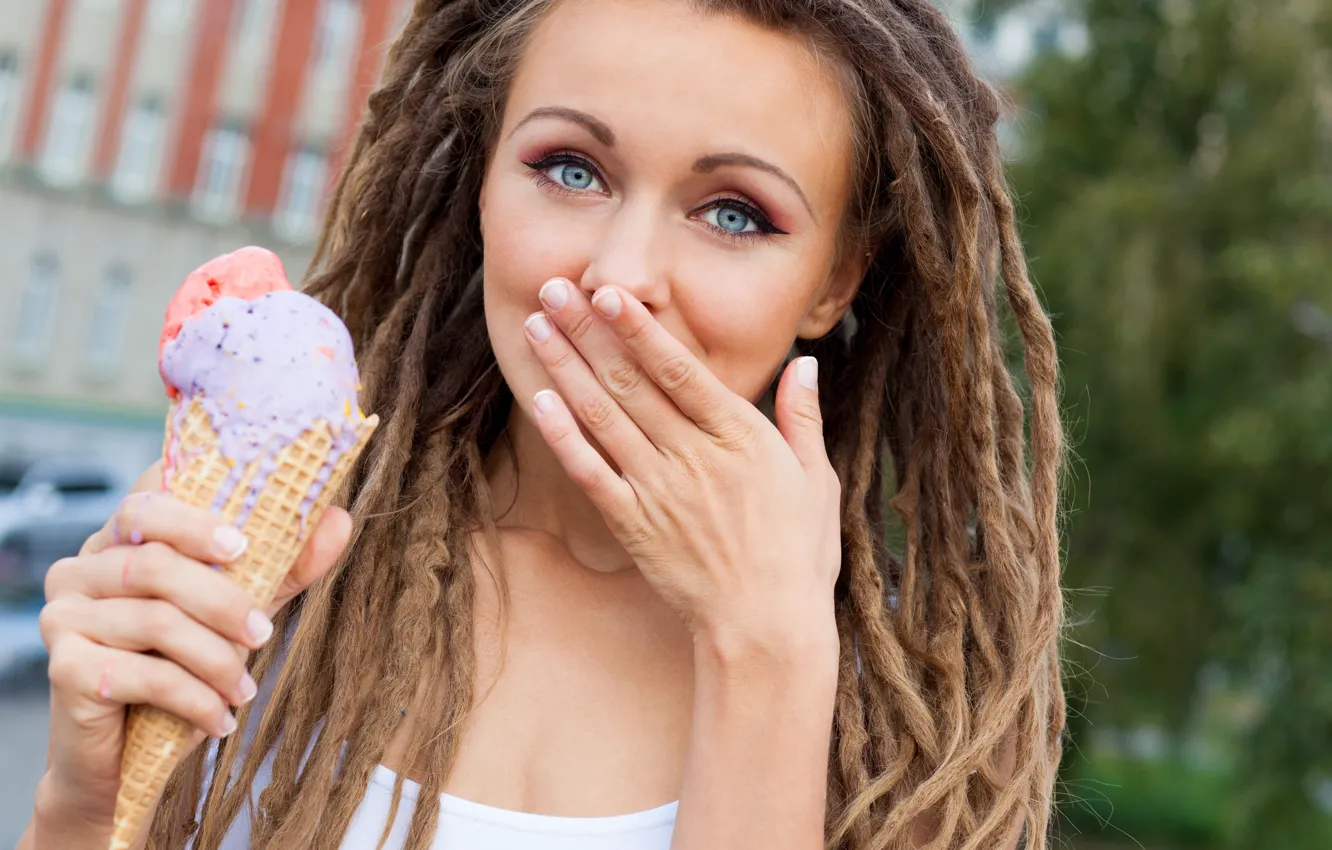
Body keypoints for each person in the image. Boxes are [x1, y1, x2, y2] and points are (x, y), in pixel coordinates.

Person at [20, 0, 1066, 847]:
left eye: (734, 212)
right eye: (571, 169)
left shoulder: (917, 713)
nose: (616, 280)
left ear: (835, 280)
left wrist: (770, 649)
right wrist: (80, 800)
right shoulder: (271, 571)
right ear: (481, 179)